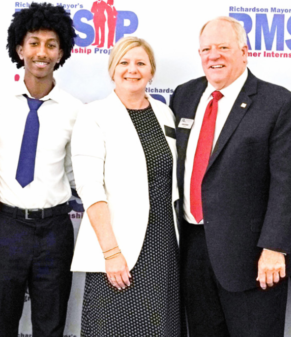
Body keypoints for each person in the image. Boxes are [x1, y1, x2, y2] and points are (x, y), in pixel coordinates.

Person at [170, 16, 291, 336]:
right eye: (206, 49)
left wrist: (274, 247)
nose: (213, 56)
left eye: (223, 47)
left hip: (253, 258)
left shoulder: (279, 103)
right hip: (193, 250)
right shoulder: (184, 96)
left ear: (244, 52)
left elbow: (288, 184)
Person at [70, 36, 184, 336]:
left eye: (140, 63)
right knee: (114, 326)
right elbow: (90, 187)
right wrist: (110, 252)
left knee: (161, 327)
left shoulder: (164, 114)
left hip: (163, 243)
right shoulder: (93, 115)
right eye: (124, 62)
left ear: (151, 72)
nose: (132, 69)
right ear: (112, 70)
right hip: (117, 246)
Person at [0, 4, 81, 336]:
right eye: (34, 42)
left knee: (51, 327)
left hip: (54, 230)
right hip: (4, 227)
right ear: (19, 48)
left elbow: (79, 171)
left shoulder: (76, 111)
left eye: (51, 44)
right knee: (0, 325)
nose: (42, 52)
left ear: (61, 51)